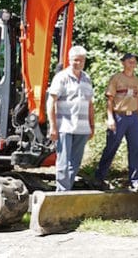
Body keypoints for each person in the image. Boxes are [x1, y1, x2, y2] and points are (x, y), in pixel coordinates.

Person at [47, 45, 94, 191]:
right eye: (75, 60)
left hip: (82, 128)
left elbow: (90, 104)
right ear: (69, 60)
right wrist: (53, 126)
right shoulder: (62, 77)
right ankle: (61, 193)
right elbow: (51, 102)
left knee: (75, 162)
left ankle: (67, 190)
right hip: (65, 126)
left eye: (81, 60)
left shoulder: (87, 79)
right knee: (63, 162)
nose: (78, 63)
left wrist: (92, 125)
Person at [95, 53, 138, 189]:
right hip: (119, 116)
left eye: (134, 62)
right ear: (123, 63)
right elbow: (110, 99)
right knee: (112, 146)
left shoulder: (136, 80)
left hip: (132, 117)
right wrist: (110, 118)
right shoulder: (117, 78)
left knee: (135, 148)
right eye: (129, 62)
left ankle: (136, 180)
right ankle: (100, 177)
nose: (132, 64)